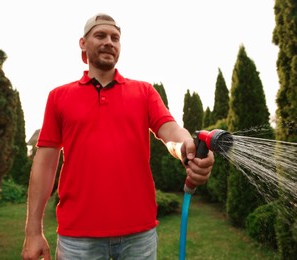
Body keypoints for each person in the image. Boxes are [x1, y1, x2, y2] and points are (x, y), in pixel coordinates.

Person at [21, 13, 214, 260]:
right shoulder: (59, 97)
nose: (109, 42)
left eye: (115, 38)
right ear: (83, 43)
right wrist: (33, 231)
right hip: (78, 236)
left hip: (139, 235)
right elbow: (45, 165)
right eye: (100, 35)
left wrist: (186, 147)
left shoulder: (143, 92)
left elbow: (170, 132)